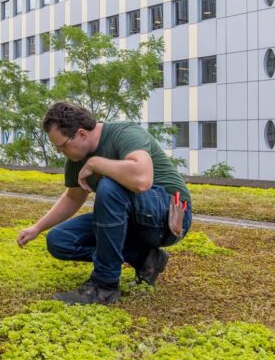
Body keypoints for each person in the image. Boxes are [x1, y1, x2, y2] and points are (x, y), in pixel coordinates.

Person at [17, 102, 192, 305]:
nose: (59, 152)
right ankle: (144, 258)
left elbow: (142, 180)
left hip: (168, 218)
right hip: (130, 220)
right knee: (59, 240)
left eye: (61, 146)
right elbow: (73, 198)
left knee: (109, 185)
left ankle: (104, 286)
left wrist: (96, 163)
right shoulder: (76, 159)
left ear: (81, 134)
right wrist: (37, 228)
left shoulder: (124, 132)